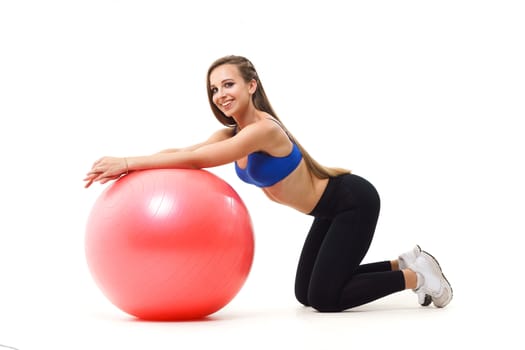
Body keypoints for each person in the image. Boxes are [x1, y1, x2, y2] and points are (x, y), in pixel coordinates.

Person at [84, 55, 453, 311]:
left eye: (228, 84)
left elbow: (199, 161)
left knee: (326, 299)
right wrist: (130, 166)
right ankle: (401, 262)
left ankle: (415, 278)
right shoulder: (231, 132)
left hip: (352, 202)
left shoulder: (262, 131)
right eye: (214, 89)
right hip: (329, 210)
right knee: (305, 294)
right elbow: (186, 150)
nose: (220, 94)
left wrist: (129, 162)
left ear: (251, 85)